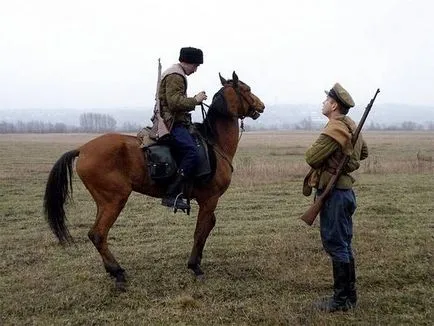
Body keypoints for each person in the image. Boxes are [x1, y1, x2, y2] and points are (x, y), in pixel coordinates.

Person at [304, 83, 369, 312]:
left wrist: (331, 160)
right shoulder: (351, 126)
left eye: (326, 100)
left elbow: (311, 157)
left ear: (333, 105)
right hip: (344, 192)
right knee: (344, 243)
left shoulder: (335, 129)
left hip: (334, 194)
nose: (323, 103)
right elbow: (363, 153)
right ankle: (349, 297)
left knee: (336, 243)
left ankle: (341, 301)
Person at [158, 47, 207, 210]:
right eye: (196, 66)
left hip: (176, 121)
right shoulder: (176, 75)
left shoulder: (176, 73)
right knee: (191, 151)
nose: (195, 70)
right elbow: (174, 103)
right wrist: (195, 100)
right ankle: (172, 193)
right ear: (188, 62)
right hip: (172, 123)